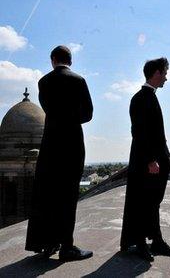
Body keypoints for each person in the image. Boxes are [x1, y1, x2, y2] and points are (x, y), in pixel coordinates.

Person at [25, 45, 93, 261]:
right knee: (68, 194)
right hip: (71, 143)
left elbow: (48, 109)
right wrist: (71, 119)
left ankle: (48, 242)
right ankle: (67, 246)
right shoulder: (79, 80)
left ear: (53, 60)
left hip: (50, 143)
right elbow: (88, 113)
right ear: (70, 61)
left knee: (48, 193)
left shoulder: (43, 82)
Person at [120, 57, 170, 261]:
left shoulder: (150, 97)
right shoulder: (139, 98)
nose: (166, 77)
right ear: (156, 73)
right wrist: (150, 160)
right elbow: (139, 133)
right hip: (147, 163)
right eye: (164, 73)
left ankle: (156, 241)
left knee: (154, 202)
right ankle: (140, 244)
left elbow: (157, 132)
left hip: (156, 160)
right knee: (144, 202)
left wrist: (166, 154)